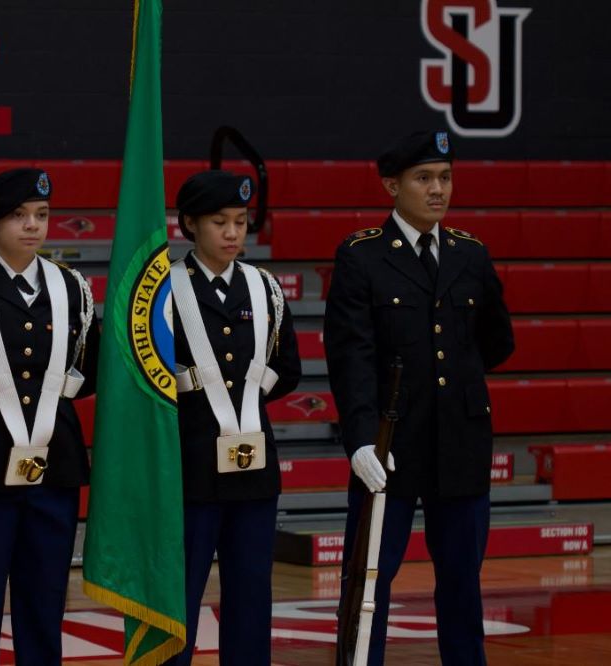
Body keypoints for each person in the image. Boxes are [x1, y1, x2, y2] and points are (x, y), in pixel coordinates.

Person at [323, 130, 515, 665]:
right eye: (424, 178)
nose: (438, 190)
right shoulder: (362, 257)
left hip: (460, 444)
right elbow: (351, 358)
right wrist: (361, 440)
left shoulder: (470, 254)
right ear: (392, 185)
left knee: (462, 585)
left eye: (446, 177)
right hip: (390, 448)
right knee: (368, 586)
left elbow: (497, 342)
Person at [0, 168, 99, 666]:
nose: (32, 225)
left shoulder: (72, 288)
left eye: (41, 215)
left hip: (55, 465)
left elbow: (88, 369)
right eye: (18, 216)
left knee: (44, 599)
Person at [165, 170, 301, 665]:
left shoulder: (265, 289)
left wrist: (247, 390)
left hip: (253, 472)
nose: (231, 233)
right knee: (178, 597)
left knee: (250, 596)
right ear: (189, 225)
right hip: (190, 467)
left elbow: (289, 368)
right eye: (219, 222)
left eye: (240, 222)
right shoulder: (163, 291)